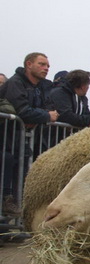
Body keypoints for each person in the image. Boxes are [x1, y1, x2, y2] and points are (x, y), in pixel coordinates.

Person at [0, 53, 57, 216]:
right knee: (9, 162)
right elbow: (23, 111)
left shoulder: (41, 87)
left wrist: (39, 116)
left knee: (24, 164)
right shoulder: (15, 83)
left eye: (47, 66)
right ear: (29, 64)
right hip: (7, 136)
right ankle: (7, 201)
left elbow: (51, 109)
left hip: (20, 138)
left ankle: (18, 205)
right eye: (42, 64)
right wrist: (44, 116)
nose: (46, 68)